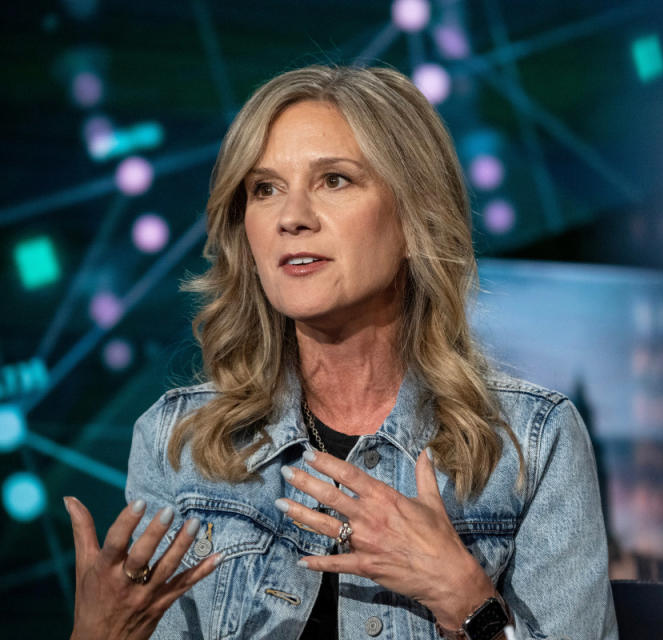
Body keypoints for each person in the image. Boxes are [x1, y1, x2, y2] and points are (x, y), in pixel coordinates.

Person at [64, 65, 618, 640]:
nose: (292, 217)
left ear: (414, 217)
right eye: (265, 189)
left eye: (334, 180)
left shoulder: (530, 443)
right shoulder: (178, 441)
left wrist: (467, 601)